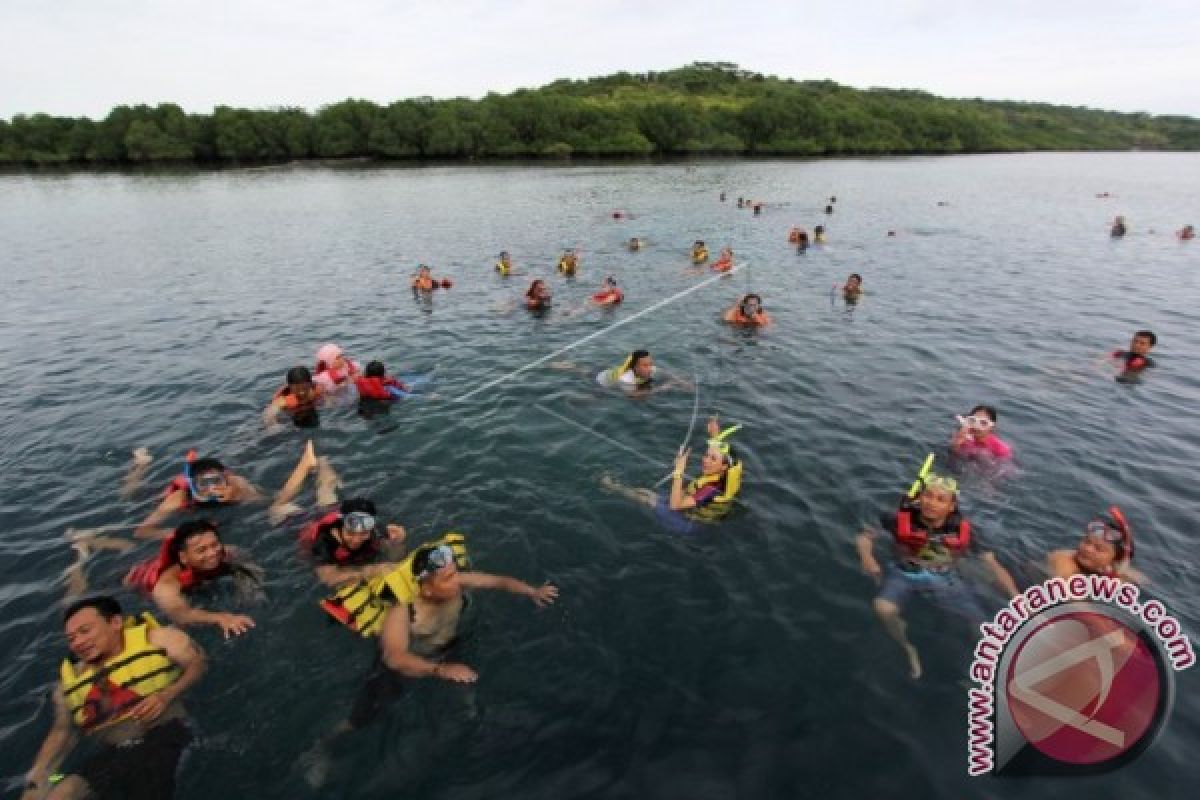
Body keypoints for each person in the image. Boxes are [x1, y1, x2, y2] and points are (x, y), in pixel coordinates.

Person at [298, 537, 557, 786]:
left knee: (466, 692)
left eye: (456, 573)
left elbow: (496, 580)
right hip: (409, 664)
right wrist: (439, 669)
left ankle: (469, 717)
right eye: (448, 577)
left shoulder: (455, 583)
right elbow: (394, 657)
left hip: (448, 650)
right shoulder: (403, 609)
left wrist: (531, 591)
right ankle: (323, 746)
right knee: (361, 719)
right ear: (426, 587)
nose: (458, 580)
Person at [19, 596, 205, 800]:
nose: (78, 642)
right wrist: (39, 775)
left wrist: (167, 695)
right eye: (71, 638)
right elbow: (63, 731)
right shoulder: (70, 682)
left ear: (115, 623)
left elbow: (197, 665)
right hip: (112, 757)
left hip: (165, 736)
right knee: (60, 790)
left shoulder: (160, 639)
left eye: (85, 631)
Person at [855, 465, 1020, 679]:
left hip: (944, 579)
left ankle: (997, 673)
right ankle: (908, 648)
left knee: (983, 627)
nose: (932, 503)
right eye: (928, 496)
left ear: (951, 506)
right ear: (919, 498)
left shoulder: (965, 532)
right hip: (904, 573)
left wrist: (1017, 598)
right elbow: (865, 536)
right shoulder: (898, 520)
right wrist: (867, 557)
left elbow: (993, 565)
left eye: (941, 499)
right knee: (883, 608)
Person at [601, 418, 743, 535]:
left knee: (647, 498)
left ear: (724, 466)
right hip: (695, 509)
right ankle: (618, 488)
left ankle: (611, 487)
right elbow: (721, 451)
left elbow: (675, 506)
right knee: (646, 492)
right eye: (706, 455)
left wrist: (679, 471)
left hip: (689, 524)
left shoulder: (712, 488)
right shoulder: (729, 468)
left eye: (713, 459)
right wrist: (715, 435)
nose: (705, 460)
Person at [123, 520, 261, 638]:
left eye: (215, 544)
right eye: (202, 550)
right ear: (183, 557)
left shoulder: (224, 553)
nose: (213, 553)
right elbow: (181, 614)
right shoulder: (166, 586)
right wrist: (220, 617)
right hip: (134, 582)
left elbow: (245, 559)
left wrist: (251, 586)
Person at [301, 496, 408, 588]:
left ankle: (323, 474)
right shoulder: (324, 542)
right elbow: (329, 579)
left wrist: (398, 539)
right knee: (287, 510)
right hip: (304, 520)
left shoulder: (373, 528)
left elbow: (392, 542)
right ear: (342, 526)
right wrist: (372, 570)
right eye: (350, 533)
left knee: (398, 551)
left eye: (364, 533)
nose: (357, 540)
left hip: (335, 510)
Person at [1045, 506, 1142, 582]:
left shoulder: (1119, 570)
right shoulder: (1063, 560)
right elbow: (1075, 601)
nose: (1088, 549)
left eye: (1098, 549)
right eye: (1086, 542)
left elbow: (1140, 579)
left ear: (1114, 560)